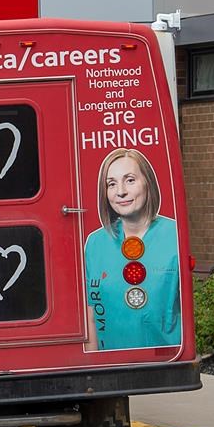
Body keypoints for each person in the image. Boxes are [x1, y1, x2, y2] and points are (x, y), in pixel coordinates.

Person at [83, 148, 181, 351]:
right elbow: (90, 316)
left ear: (148, 183)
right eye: (111, 184)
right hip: (111, 363)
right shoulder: (95, 243)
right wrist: (93, 364)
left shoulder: (176, 235)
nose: (120, 191)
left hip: (167, 360)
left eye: (129, 180)